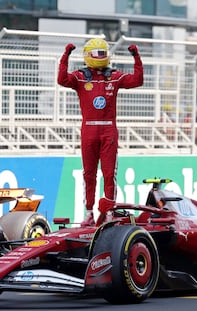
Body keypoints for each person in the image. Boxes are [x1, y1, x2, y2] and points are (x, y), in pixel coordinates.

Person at [57, 38, 143, 226]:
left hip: (108, 129)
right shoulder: (80, 76)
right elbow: (62, 79)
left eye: (103, 54)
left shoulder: (114, 76)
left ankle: (109, 212)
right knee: (89, 174)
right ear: (88, 55)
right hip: (88, 129)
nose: (100, 58)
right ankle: (89, 213)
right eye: (97, 54)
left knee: (109, 173)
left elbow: (137, 80)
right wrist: (66, 55)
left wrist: (136, 57)